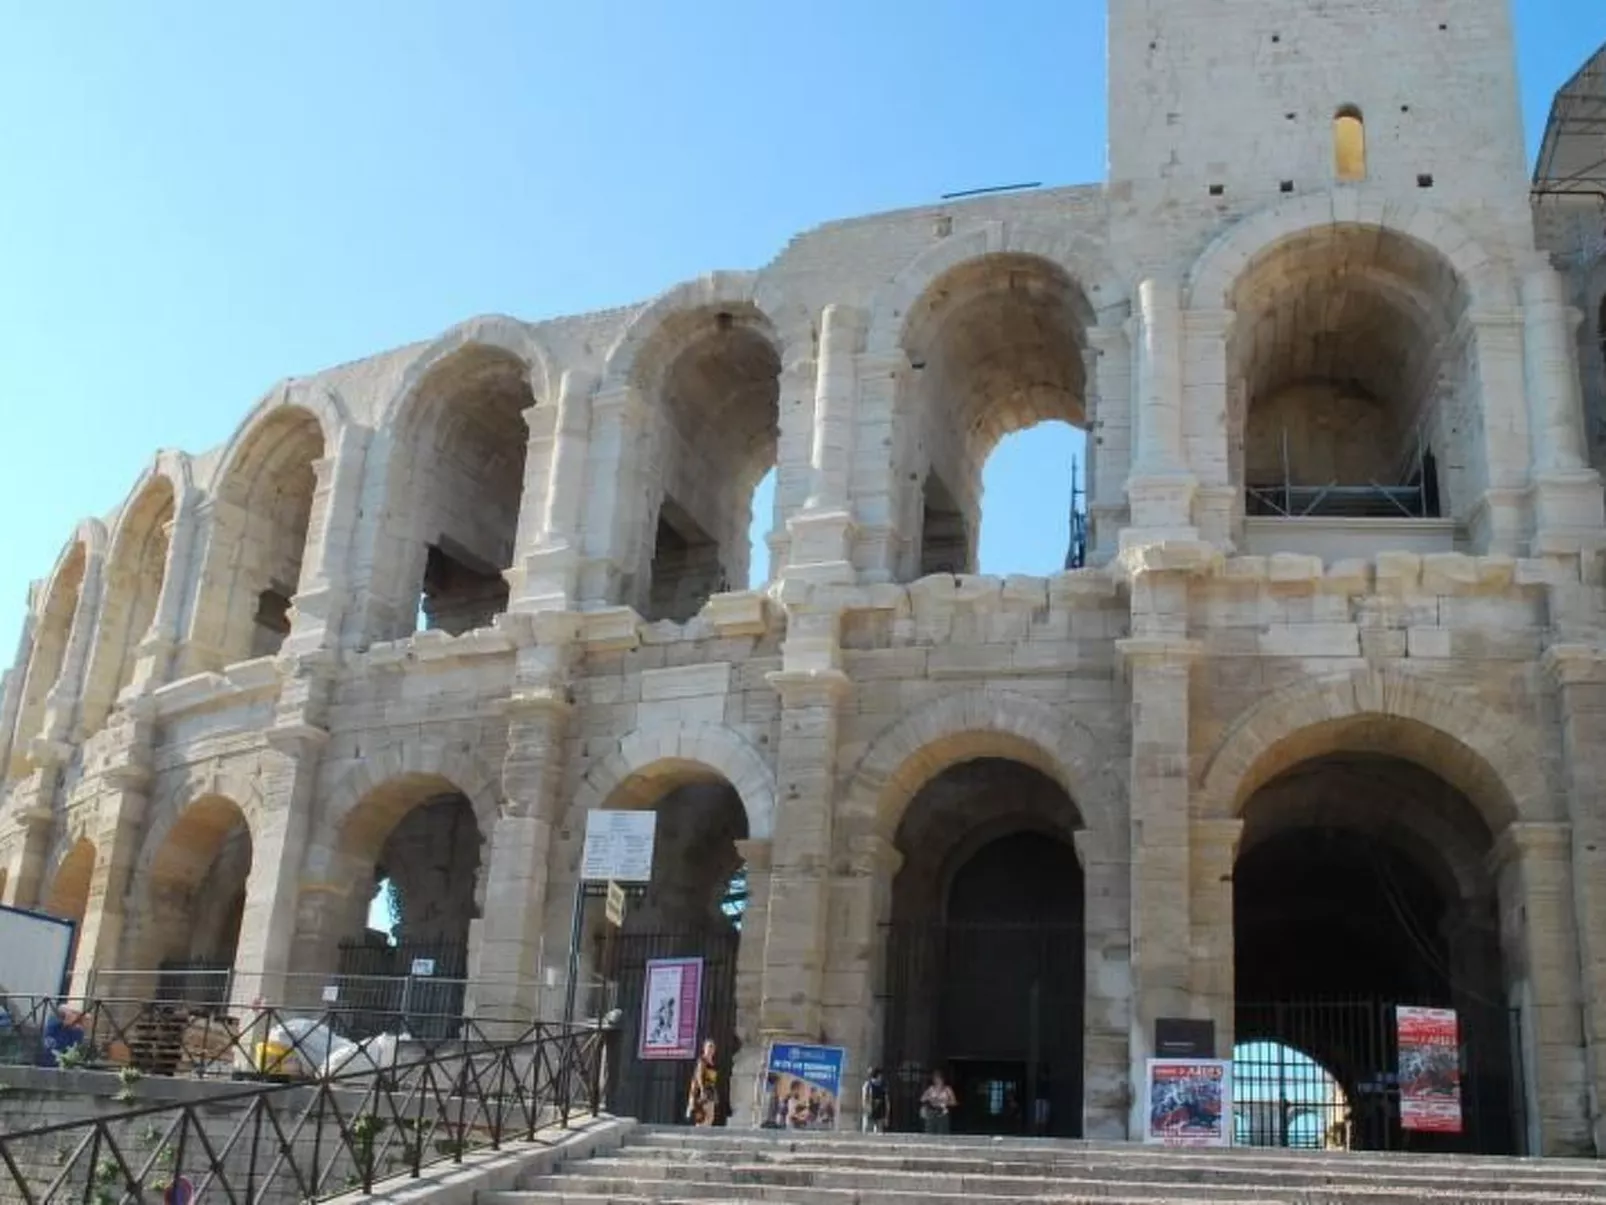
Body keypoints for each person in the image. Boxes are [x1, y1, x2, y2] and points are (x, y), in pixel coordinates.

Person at [686, 1038, 719, 1126]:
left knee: (710, 1116)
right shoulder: (702, 1061)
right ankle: (699, 1133)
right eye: (709, 1047)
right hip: (702, 1090)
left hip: (710, 1090)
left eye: (712, 1047)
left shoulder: (713, 1064)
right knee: (701, 1115)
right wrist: (702, 1089)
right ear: (704, 1048)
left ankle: (705, 1133)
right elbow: (699, 1075)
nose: (710, 1049)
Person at [919, 1068, 956, 1135]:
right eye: (935, 1078)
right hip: (932, 1114)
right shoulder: (931, 1089)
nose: (937, 1081)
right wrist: (930, 1098)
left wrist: (944, 1101)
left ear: (943, 1079)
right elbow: (922, 1099)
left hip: (943, 1114)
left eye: (939, 1079)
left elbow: (954, 1102)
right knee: (930, 1132)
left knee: (942, 1133)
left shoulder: (947, 1089)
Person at [861, 1066, 889, 1134]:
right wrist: (866, 1107)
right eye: (880, 1075)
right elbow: (864, 1097)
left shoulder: (882, 1085)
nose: (881, 1077)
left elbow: (886, 1099)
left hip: (879, 1109)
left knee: (878, 1129)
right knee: (868, 1128)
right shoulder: (868, 1085)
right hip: (871, 1108)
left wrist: (886, 1114)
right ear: (878, 1075)